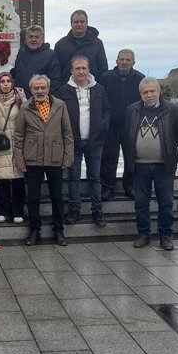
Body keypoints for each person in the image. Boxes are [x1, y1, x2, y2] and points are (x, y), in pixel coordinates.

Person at [124, 78, 178, 251]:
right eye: (145, 92)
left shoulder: (172, 110)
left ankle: (165, 235)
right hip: (139, 165)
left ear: (158, 92)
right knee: (141, 202)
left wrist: (166, 149)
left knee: (165, 203)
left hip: (163, 165)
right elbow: (127, 133)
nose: (149, 95)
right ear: (140, 94)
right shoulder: (132, 110)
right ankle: (144, 234)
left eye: (152, 91)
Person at [14, 75, 74, 246]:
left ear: (48, 88)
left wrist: (67, 158)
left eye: (43, 88)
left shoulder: (60, 105)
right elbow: (19, 136)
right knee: (33, 197)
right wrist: (19, 159)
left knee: (57, 196)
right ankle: (34, 230)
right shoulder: (25, 107)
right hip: (32, 159)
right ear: (31, 89)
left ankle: (59, 230)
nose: (40, 91)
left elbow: (67, 134)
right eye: (36, 88)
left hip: (55, 158)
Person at [56, 56, 111, 227]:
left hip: (95, 141)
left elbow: (107, 110)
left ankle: (97, 211)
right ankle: (75, 210)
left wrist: (103, 125)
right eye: (77, 68)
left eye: (84, 68)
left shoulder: (99, 89)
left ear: (89, 69)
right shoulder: (63, 91)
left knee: (95, 177)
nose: (81, 71)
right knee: (73, 177)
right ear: (72, 71)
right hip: (73, 142)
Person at [101, 49, 144, 200]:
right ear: (116, 61)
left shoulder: (140, 79)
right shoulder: (106, 78)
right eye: (122, 59)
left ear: (133, 62)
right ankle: (107, 187)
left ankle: (130, 186)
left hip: (131, 125)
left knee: (132, 158)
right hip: (111, 125)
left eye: (128, 60)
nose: (124, 62)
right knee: (108, 158)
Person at [0, 72, 26, 224]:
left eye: (8, 81)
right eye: (2, 81)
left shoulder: (20, 99)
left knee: (18, 180)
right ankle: (3, 211)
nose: (5, 84)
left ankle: (18, 211)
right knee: (2, 179)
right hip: (1, 144)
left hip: (18, 143)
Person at [54, 10, 110, 84]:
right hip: (67, 90)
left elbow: (103, 68)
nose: (79, 24)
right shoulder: (60, 44)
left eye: (82, 22)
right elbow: (56, 70)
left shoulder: (97, 43)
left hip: (92, 89)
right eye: (76, 22)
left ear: (87, 23)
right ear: (71, 24)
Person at [11, 25, 61, 98]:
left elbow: (55, 80)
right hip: (20, 99)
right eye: (31, 37)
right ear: (26, 39)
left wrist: (48, 98)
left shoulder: (50, 55)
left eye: (36, 37)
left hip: (41, 100)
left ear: (42, 38)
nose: (33, 40)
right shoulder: (18, 54)